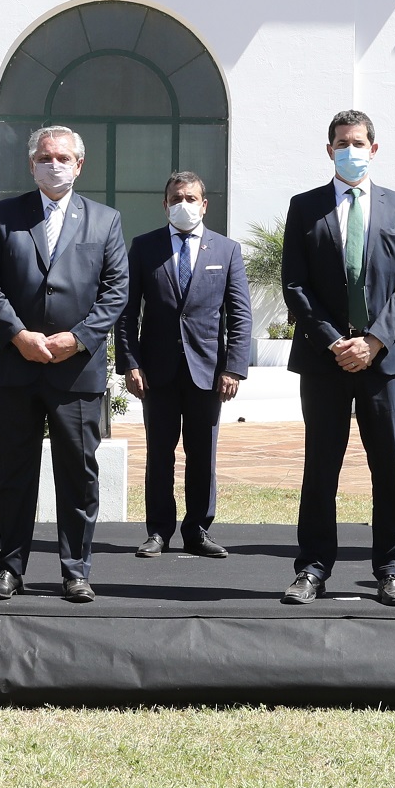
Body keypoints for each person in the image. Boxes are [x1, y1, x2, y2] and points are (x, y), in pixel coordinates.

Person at [0, 125, 128, 603]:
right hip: (17, 365)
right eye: (44, 157)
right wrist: (18, 334)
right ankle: (9, 569)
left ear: (79, 165)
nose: (53, 164)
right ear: (30, 164)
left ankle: (75, 569)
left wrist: (77, 339)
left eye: (62, 157)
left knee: (78, 474)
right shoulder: (5, 215)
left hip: (75, 370)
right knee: (14, 473)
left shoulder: (105, 220)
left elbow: (117, 289)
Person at [280, 110, 395, 607]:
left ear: (374, 149)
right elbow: (294, 284)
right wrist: (332, 341)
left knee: (390, 468)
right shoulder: (305, 208)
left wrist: (375, 341)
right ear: (329, 150)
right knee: (321, 467)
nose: (351, 150)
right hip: (326, 361)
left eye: (359, 142)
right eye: (342, 142)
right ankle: (312, 569)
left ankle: (392, 570)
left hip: (385, 361)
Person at [116, 171, 252, 560]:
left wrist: (234, 368)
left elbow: (240, 315)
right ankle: (158, 531)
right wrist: (130, 363)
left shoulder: (226, 250)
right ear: (165, 204)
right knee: (160, 452)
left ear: (204, 204)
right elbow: (127, 313)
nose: (184, 205)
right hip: (155, 372)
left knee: (202, 452)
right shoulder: (144, 247)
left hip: (208, 372)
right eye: (176, 198)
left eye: (191, 198)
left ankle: (198, 530)